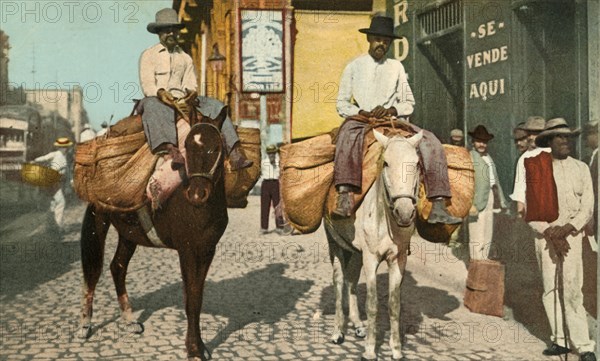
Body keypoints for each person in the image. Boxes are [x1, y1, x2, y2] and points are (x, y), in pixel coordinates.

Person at [333, 15, 460, 224]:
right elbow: (341, 103)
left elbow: (408, 102)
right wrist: (362, 112)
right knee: (347, 135)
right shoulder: (354, 67)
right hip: (362, 119)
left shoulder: (396, 67)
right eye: (377, 39)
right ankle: (345, 195)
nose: (381, 44)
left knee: (430, 140)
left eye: (386, 41)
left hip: (391, 120)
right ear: (369, 39)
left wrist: (392, 109)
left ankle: (437, 203)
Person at [137, 8, 251, 171]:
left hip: (182, 99)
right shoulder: (149, 55)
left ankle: (235, 152)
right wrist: (161, 94)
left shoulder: (185, 58)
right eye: (166, 30)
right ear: (159, 33)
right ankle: (171, 151)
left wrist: (191, 93)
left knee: (216, 105)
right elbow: (147, 84)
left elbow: (191, 83)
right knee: (152, 106)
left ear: (177, 32)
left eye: (173, 30)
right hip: (158, 99)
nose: (170, 33)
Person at [525, 118, 596, 361]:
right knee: (550, 288)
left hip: (572, 237)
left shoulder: (581, 168)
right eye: (559, 137)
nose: (565, 141)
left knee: (573, 289)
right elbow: (530, 211)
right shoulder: (536, 169)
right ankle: (560, 340)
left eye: (568, 137)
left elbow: (587, 206)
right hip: (545, 238)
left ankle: (584, 345)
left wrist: (567, 228)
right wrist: (549, 232)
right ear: (548, 141)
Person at [467, 125, 507, 260]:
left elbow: (495, 180)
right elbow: (467, 183)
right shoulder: (469, 157)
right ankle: (476, 265)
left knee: (487, 233)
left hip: (490, 197)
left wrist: (501, 200)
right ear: (473, 142)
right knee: (476, 234)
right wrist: (470, 203)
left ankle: (484, 263)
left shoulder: (489, 158)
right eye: (479, 141)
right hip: (476, 199)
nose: (482, 144)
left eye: (484, 142)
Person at [33, 137, 73, 234]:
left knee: (53, 204)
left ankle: (50, 226)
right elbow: (43, 158)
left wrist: (70, 180)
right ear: (61, 148)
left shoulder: (63, 156)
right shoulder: (56, 154)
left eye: (65, 147)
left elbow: (66, 170)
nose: (64, 149)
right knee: (60, 202)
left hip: (57, 181)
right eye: (63, 147)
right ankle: (57, 226)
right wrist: (34, 161)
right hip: (52, 180)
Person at [511, 116, 548, 218]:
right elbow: (520, 189)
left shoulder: (554, 154)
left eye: (535, 133)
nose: (531, 137)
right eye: (529, 133)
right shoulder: (524, 158)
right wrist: (520, 212)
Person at [260, 144, 286, 234]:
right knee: (264, 207)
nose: (271, 155)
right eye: (270, 154)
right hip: (265, 184)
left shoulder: (279, 162)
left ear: (275, 154)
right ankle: (264, 228)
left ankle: (280, 227)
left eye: (273, 153)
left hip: (275, 184)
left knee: (277, 206)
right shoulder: (263, 162)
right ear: (267, 154)